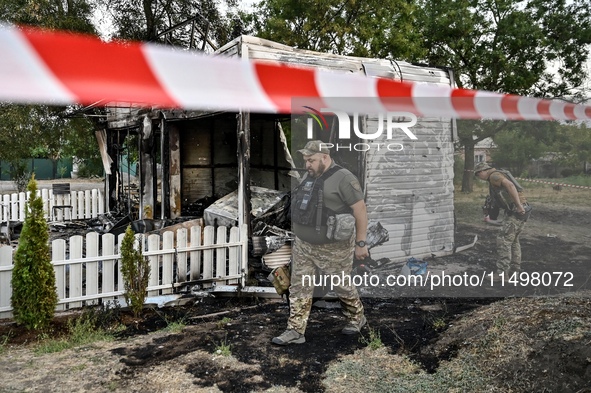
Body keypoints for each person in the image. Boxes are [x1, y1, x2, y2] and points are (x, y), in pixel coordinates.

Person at [272, 140, 369, 345]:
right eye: (306, 160)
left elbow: (360, 211)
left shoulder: (344, 178)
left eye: (311, 160)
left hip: (333, 247)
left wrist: (361, 243)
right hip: (304, 245)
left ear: (325, 158)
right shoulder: (310, 175)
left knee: (341, 285)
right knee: (299, 286)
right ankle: (296, 331)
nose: (307, 164)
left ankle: (357, 318)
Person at [474, 161, 531, 275]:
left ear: (482, 171)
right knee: (513, 241)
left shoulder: (494, 176)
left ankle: (502, 273)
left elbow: (510, 185)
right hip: (519, 209)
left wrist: (518, 206)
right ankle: (514, 271)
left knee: (503, 240)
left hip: (517, 210)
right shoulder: (495, 176)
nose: (479, 177)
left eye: (478, 174)